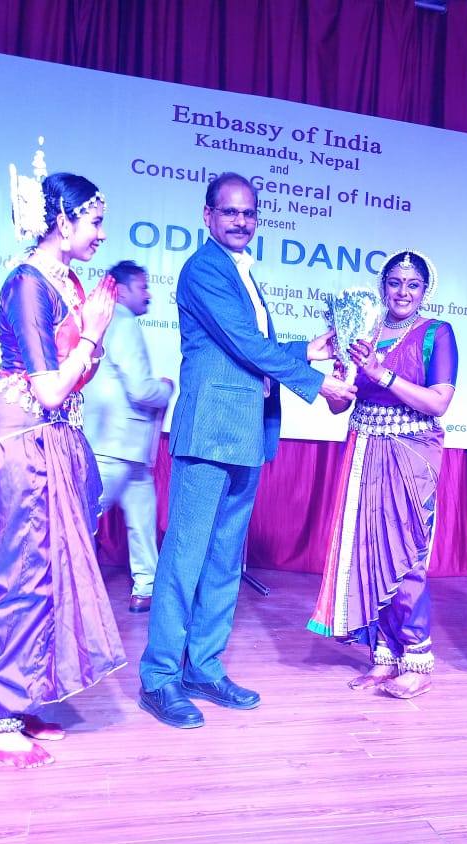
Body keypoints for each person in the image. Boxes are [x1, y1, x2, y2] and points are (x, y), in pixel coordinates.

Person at [137, 172, 355, 729]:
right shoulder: (204, 269)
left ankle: (203, 667)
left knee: (224, 560)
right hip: (209, 431)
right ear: (207, 215)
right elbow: (244, 343)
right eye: (230, 211)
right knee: (184, 559)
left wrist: (305, 349)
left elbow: (243, 348)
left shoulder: (242, 272)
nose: (241, 221)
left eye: (249, 213)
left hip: (245, 433)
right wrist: (317, 383)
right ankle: (159, 676)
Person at [0, 152, 126, 768]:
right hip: (18, 440)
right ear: (62, 220)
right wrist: (94, 333)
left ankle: (26, 699)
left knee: (49, 576)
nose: (102, 233)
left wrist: (91, 337)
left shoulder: (71, 284)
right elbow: (52, 388)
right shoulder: (27, 282)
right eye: (94, 221)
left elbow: (72, 382)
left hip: (53, 438)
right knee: (19, 578)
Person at [307, 250, 458, 700]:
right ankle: (384, 653)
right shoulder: (363, 332)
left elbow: (438, 402)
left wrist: (382, 374)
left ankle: (417, 658)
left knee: (405, 552)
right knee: (368, 550)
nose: (403, 292)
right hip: (364, 448)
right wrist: (337, 381)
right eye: (395, 283)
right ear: (383, 286)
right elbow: (340, 405)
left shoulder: (437, 333)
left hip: (411, 452)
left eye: (413, 284)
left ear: (425, 290)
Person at [84, 260, 173, 614]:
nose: (148, 294)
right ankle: (34, 578)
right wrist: (166, 389)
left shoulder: (107, 323)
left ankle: (146, 588)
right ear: (121, 291)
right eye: (142, 287)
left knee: (142, 517)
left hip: (124, 446)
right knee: (80, 518)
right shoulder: (122, 324)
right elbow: (139, 389)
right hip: (115, 444)